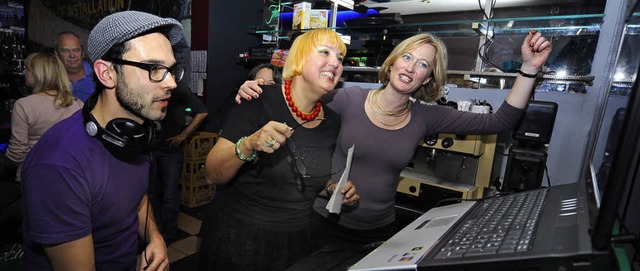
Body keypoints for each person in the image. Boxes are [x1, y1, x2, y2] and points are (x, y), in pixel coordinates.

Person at [236, 30, 552, 268]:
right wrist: (259, 90)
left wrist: (529, 67)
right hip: (322, 227)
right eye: (407, 57)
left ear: (429, 77)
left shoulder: (426, 116)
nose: (411, 67)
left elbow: (500, 121)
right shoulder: (348, 99)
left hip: (379, 233)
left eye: (423, 64)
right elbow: (295, 100)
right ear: (393, 62)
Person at [21, 11, 184, 271]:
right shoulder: (58, 165)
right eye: (154, 69)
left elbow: (136, 197)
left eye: (171, 70)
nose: (172, 83)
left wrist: (155, 237)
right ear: (107, 74)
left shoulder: (133, 136)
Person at [197, 28, 360, 271]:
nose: (335, 63)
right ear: (300, 58)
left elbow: (307, 173)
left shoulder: (332, 121)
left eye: (340, 58)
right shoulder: (259, 98)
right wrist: (249, 143)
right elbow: (212, 173)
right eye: (325, 52)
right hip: (238, 240)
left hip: (294, 244)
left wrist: (332, 189)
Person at [4, 52, 83, 182]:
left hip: (34, 176)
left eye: (27, 69)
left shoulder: (24, 105)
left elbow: (16, 153)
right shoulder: (77, 104)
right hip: (67, 177)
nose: (23, 73)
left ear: (38, 73)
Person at [149, 80, 208, 245]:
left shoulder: (179, 87)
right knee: (152, 193)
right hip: (150, 148)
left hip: (170, 149)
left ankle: (169, 233)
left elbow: (202, 111)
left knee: (169, 193)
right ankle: (155, 232)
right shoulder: (148, 84)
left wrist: (183, 135)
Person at [54, 31, 97, 102]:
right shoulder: (50, 79)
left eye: (76, 50)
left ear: (82, 53)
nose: (72, 55)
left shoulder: (99, 77)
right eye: (65, 51)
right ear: (57, 54)